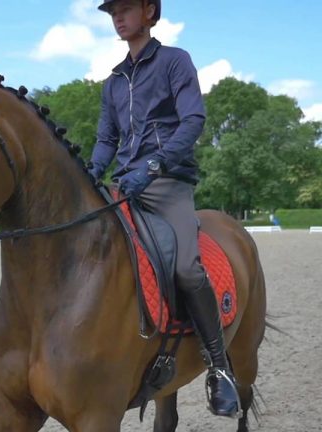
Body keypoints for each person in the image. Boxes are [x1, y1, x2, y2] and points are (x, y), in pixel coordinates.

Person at [88, 0, 240, 417]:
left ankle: (218, 366)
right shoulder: (114, 81)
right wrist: (90, 172)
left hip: (168, 182)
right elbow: (106, 140)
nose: (117, 16)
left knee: (188, 269)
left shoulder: (175, 61)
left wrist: (155, 165)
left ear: (149, 11)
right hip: (124, 185)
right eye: (112, 11)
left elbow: (193, 120)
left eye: (125, 8)